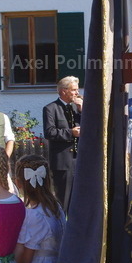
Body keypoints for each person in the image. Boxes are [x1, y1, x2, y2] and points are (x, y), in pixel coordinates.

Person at [42, 76, 81, 210]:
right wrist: (71, 133)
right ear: (64, 91)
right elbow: (50, 132)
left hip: (79, 160)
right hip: (63, 162)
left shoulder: (77, 109)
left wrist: (83, 111)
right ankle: (62, 228)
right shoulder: (51, 108)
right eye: (74, 90)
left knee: (79, 201)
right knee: (63, 200)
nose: (77, 93)